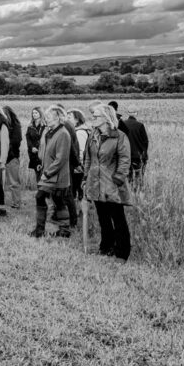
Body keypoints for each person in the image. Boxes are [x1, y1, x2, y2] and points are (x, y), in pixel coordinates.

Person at [85, 103, 133, 260]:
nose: (92, 118)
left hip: (112, 184)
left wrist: (117, 179)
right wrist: (86, 177)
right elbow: (88, 158)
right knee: (103, 217)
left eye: (96, 116)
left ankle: (122, 252)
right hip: (96, 183)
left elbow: (125, 161)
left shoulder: (119, 136)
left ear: (106, 118)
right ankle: (106, 247)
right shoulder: (93, 135)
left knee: (118, 219)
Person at [30, 105, 72, 238]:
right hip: (50, 173)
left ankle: (41, 230)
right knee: (58, 200)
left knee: (42, 197)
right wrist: (41, 165)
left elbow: (61, 159)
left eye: (48, 117)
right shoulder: (51, 132)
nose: (46, 119)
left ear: (58, 118)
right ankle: (62, 229)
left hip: (56, 175)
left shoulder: (63, 134)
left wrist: (47, 172)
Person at [65, 109, 91, 202]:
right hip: (78, 165)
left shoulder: (80, 132)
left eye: (69, 117)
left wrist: (77, 165)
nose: (66, 120)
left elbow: (80, 150)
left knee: (78, 190)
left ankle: (80, 210)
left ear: (77, 119)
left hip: (78, 167)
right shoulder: (77, 130)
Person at [2, 102, 24, 209]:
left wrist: (7, 151)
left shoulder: (16, 126)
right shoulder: (1, 125)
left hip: (12, 157)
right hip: (1, 157)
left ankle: (16, 203)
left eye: (5, 114)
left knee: (14, 182)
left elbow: (16, 142)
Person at [122, 107, 150, 187]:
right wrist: (144, 153)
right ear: (136, 113)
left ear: (128, 113)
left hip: (126, 155)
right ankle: (138, 192)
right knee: (139, 176)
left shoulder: (122, 124)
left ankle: (129, 191)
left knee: (128, 176)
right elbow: (145, 141)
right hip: (138, 155)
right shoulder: (140, 125)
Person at [25, 107, 44, 189]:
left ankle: (44, 190)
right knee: (37, 170)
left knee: (43, 170)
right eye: (33, 113)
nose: (34, 114)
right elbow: (28, 138)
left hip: (42, 150)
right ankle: (39, 188)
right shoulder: (30, 126)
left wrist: (39, 148)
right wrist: (31, 147)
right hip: (33, 152)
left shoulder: (44, 125)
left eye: (36, 113)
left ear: (40, 113)